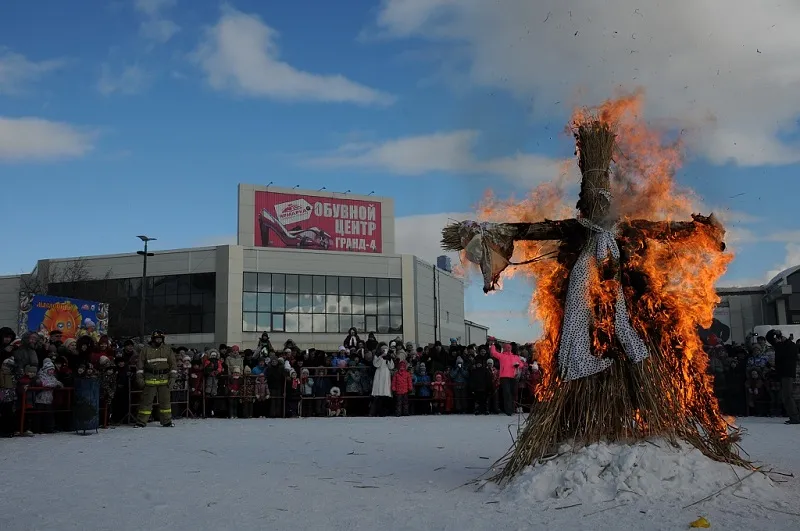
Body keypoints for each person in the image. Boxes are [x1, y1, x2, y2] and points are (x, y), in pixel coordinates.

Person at [134, 331, 177, 428]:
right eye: (157, 339)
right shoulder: (145, 350)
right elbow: (140, 366)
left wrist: (173, 378)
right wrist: (140, 379)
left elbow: (173, 366)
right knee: (146, 402)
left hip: (164, 380)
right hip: (149, 379)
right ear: (153, 339)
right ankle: (141, 422)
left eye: (160, 339)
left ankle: (166, 421)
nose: (159, 340)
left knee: (165, 403)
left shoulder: (167, 350)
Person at [766, 329, 800, 425]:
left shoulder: (791, 346)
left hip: (788, 374)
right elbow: (769, 338)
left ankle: (795, 417)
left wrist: (785, 340)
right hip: (783, 374)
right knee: (787, 396)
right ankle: (794, 416)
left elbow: (787, 353)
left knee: (788, 396)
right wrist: (773, 332)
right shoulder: (780, 346)